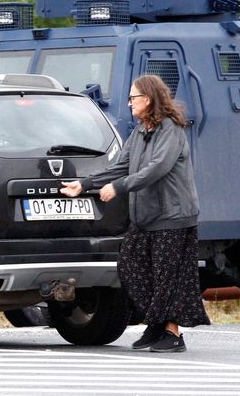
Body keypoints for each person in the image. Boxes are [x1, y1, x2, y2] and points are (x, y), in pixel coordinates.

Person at [60, 74, 209, 352]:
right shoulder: (139, 132)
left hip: (173, 216)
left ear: (148, 99)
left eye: (133, 98)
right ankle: (156, 324)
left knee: (168, 276)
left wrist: (118, 188)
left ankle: (172, 334)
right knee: (130, 267)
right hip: (145, 217)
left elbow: (156, 168)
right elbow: (120, 166)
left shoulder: (171, 130)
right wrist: (85, 184)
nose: (129, 103)